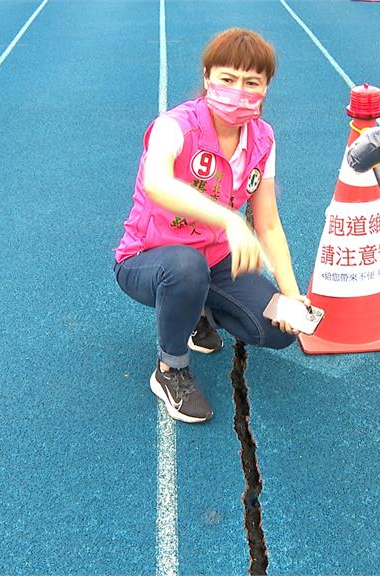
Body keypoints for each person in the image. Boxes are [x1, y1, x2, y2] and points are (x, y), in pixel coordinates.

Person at [114, 28, 308, 424]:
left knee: (282, 331)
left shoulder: (262, 139)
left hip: (214, 259)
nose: (239, 91)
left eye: (251, 82)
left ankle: (200, 311)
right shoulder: (176, 126)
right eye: (227, 79)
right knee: (186, 268)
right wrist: (229, 221)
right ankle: (170, 370)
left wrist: (293, 295)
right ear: (207, 78)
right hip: (148, 258)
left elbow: (268, 224)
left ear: (266, 87)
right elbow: (157, 182)